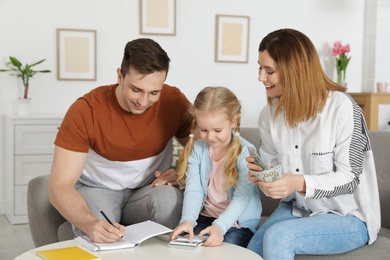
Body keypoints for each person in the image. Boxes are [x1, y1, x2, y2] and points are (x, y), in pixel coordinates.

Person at [246, 28, 381, 259]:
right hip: (297, 209)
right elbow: (275, 173)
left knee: (278, 237)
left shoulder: (343, 108)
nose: (260, 77)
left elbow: (350, 179)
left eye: (269, 71)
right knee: (247, 254)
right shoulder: (268, 115)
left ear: (295, 71)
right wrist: (264, 178)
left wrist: (299, 182)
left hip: (347, 215)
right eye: (260, 68)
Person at [48, 38, 193, 243]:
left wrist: (182, 172)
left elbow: (206, 148)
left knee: (169, 199)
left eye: (154, 93)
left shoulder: (174, 101)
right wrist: (90, 224)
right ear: (120, 76)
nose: (143, 102)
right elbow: (59, 186)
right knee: (98, 230)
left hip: (148, 188)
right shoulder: (85, 110)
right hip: (97, 189)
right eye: (136, 89)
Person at [169, 86, 262, 248]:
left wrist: (220, 227)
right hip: (205, 219)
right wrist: (187, 221)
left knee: (223, 249)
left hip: (237, 224)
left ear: (234, 121)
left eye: (217, 130)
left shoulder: (245, 152)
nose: (210, 137)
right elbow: (194, 190)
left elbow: (242, 197)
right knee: (183, 247)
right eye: (203, 130)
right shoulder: (197, 149)